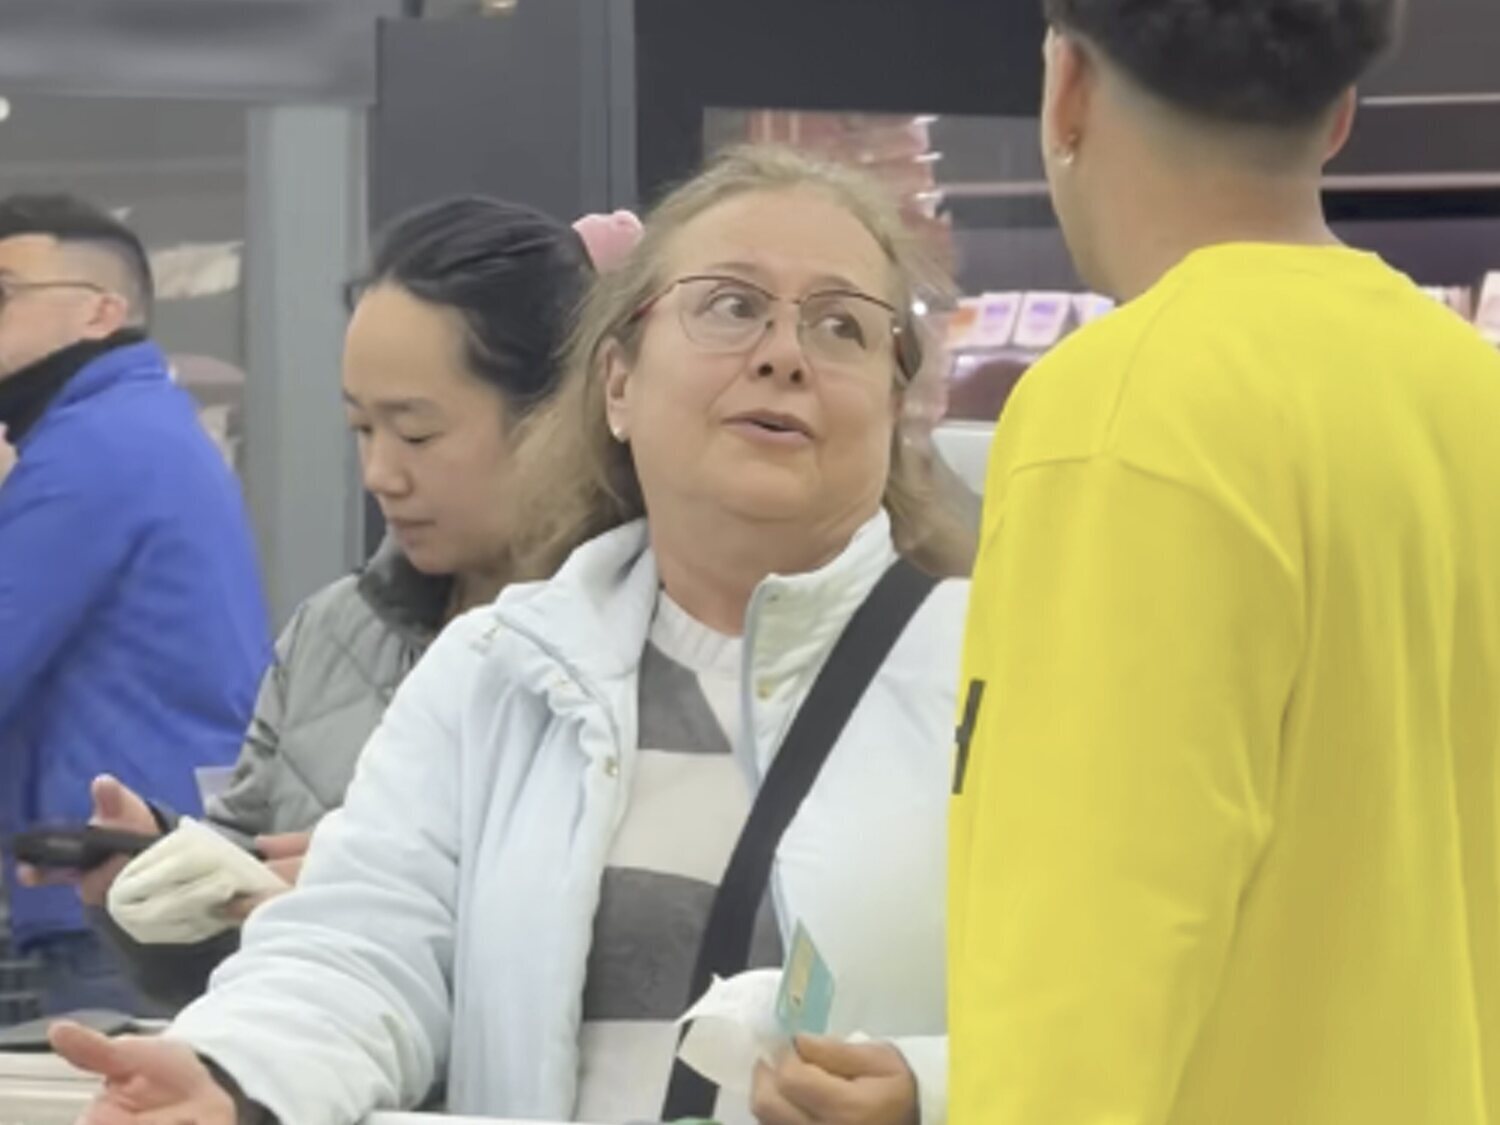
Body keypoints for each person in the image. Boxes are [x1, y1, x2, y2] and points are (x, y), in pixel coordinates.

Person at [52, 145, 976, 1125]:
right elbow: (359, 946)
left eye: (841, 325)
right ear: (617, 382)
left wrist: (932, 1090)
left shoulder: (993, 671)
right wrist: (235, 1073)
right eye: (731, 305)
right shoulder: (497, 672)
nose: (784, 354)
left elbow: (1086, 1000)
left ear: (892, 405)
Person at [949, 2, 1500, 1124]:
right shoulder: (1472, 397)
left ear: (1067, 89)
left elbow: (1073, 1015)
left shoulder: (1117, 415)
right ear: (1339, 114)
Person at [32, 195, 597, 1011]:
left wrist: (375, 899)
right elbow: (230, 945)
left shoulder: (651, 641)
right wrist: (167, 890)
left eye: (416, 432)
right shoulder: (332, 633)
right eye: (362, 429)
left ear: (558, 413)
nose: (381, 474)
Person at [0, 194, 270, 1017]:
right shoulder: (136, 426)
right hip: (147, 878)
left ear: (100, 310)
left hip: (117, 895)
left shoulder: (91, 449)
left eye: (3, 291)